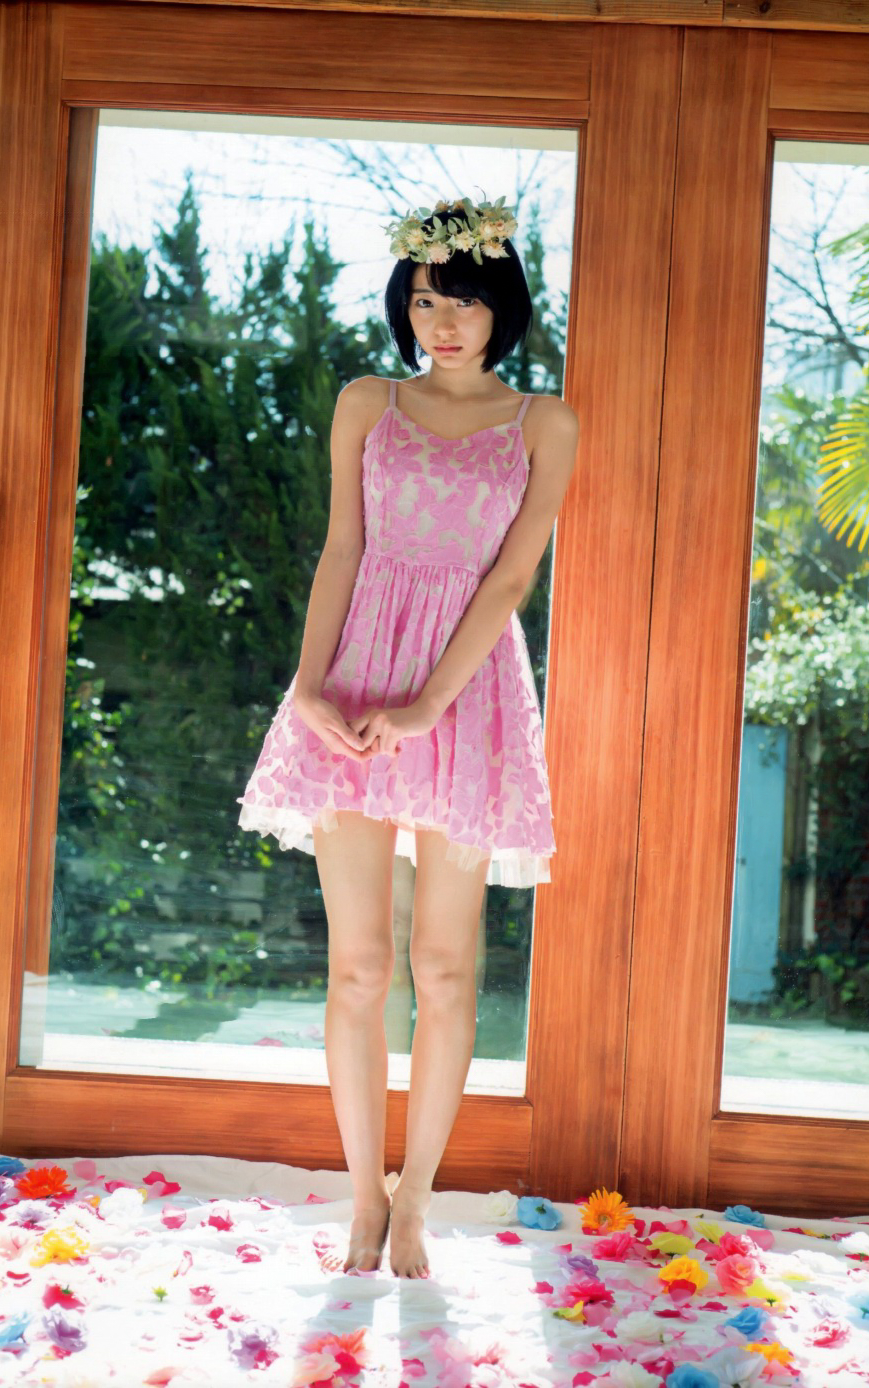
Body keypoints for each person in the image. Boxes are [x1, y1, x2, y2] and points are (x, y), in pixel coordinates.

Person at [237, 193, 579, 1280]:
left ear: (501, 308)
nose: (445, 322)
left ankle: (418, 1199)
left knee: (442, 967)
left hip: (465, 697)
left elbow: (512, 578)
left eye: (464, 301)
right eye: (427, 301)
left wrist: (430, 704)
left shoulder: (545, 424)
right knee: (356, 967)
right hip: (354, 680)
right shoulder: (365, 402)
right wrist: (308, 686)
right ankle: (362, 1201)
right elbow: (342, 548)